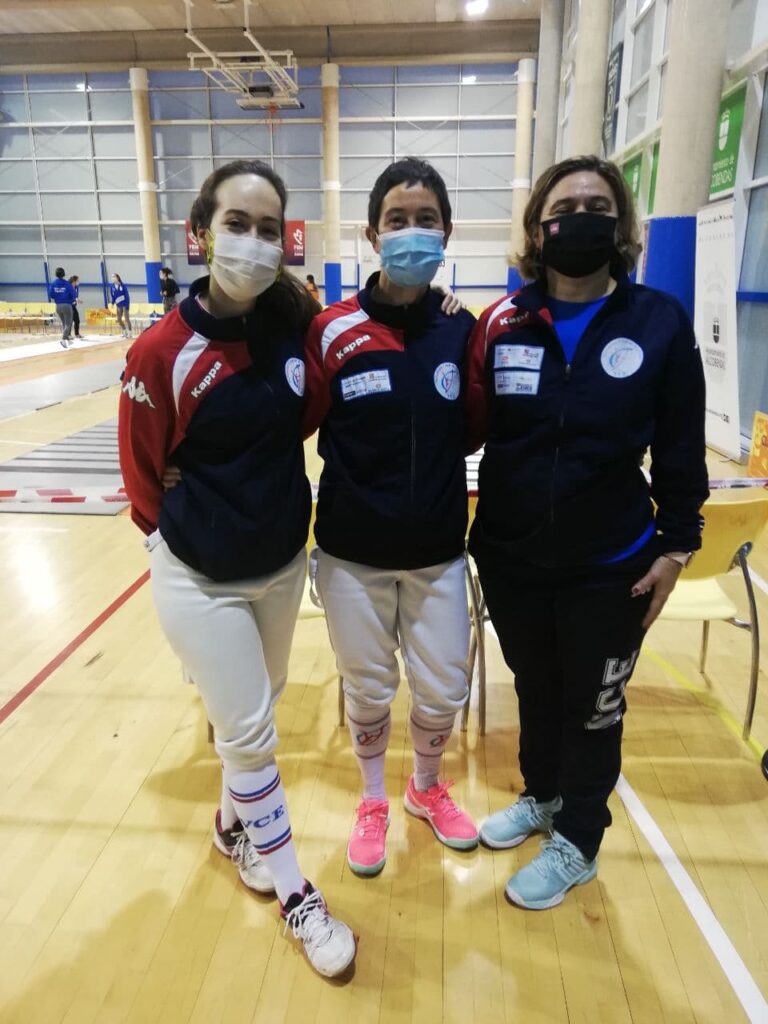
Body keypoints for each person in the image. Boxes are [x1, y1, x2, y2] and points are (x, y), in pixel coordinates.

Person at [118, 159, 356, 978]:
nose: (254, 241)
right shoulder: (162, 352)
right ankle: (296, 894)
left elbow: (307, 414)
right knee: (251, 733)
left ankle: (231, 830)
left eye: (268, 228)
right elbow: (141, 476)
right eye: (237, 224)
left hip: (280, 565)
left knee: (256, 710)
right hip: (198, 576)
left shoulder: (289, 330)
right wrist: (179, 534)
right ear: (200, 234)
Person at [466, 155, 708, 910]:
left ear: (622, 224)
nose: (580, 219)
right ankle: (542, 797)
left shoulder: (657, 321)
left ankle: (579, 838)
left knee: (595, 706)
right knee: (536, 689)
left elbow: (680, 445)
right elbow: (461, 423)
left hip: (611, 562)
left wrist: (677, 547)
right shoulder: (501, 322)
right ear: (538, 229)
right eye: (564, 208)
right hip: (513, 558)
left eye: (597, 207)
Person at [304, 158, 480, 879]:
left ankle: (425, 787)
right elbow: (283, 416)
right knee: (368, 689)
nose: (412, 231)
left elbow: (474, 428)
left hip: (438, 551)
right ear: (372, 235)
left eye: (425, 220)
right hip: (352, 555)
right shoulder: (331, 330)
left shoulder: (461, 330)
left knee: (444, 690)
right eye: (397, 220)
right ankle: (374, 798)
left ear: (447, 232)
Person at [48, 267, 76, 348]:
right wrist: (71, 300)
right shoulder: (67, 284)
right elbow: (73, 294)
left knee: (64, 323)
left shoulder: (53, 283)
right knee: (68, 324)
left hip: (58, 306)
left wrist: (58, 296)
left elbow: (51, 295)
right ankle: (64, 339)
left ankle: (67, 340)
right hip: (67, 305)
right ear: (63, 274)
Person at [110, 273, 131, 338]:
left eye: (114, 277)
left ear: (117, 278)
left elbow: (127, 296)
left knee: (126, 319)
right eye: (112, 277)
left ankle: (130, 333)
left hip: (125, 304)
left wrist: (127, 305)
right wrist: (112, 303)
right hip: (118, 305)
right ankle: (124, 331)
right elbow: (113, 296)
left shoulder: (123, 285)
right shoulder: (112, 287)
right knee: (119, 319)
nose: (113, 278)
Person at [68, 275, 82, 340]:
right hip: (68, 306)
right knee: (70, 321)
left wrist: (77, 300)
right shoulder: (68, 287)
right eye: (77, 281)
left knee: (77, 320)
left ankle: (77, 334)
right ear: (74, 281)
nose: (78, 282)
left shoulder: (76, 287)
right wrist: (74, 300)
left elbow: (76, 296)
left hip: (73, 306)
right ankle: (68, 334)